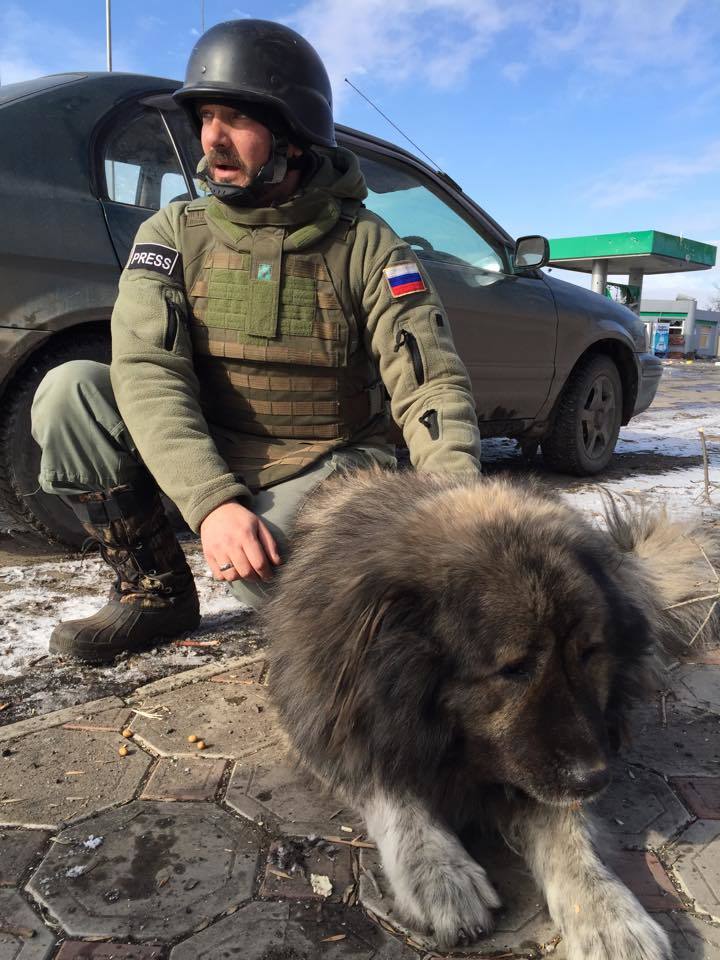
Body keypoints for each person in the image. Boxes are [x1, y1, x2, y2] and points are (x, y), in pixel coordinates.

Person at [31, 19, 482, 664]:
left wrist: (457, 524)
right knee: (71, 392)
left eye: (235, 118)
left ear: (293, 136)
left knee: (265, 572)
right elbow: (146, 368)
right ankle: (153, 593)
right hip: (217, 448)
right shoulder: (172, 233)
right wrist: (213, 504)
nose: (211, 138)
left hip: (327, 461)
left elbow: (430, 384)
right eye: (206, 117)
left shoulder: (368, 245)